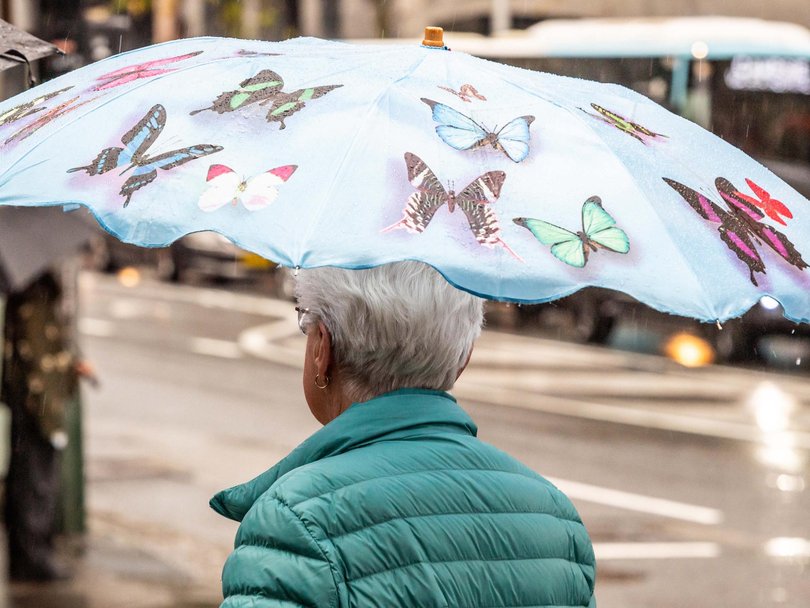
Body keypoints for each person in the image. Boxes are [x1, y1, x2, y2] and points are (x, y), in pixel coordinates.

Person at [210, 261, 596, 607]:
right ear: (464, 359)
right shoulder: (557, 521)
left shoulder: (295, 522)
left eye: (305, 319)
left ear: (322, 349)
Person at [2, 269, 91, 581]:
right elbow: (38, 362)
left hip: (30, 402)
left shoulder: (28, 293)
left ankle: (28, 554)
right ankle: (31, 557)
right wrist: (49, 418)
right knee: (35, 480)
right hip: (37, 406)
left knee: (30, 477)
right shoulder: (34, 297)